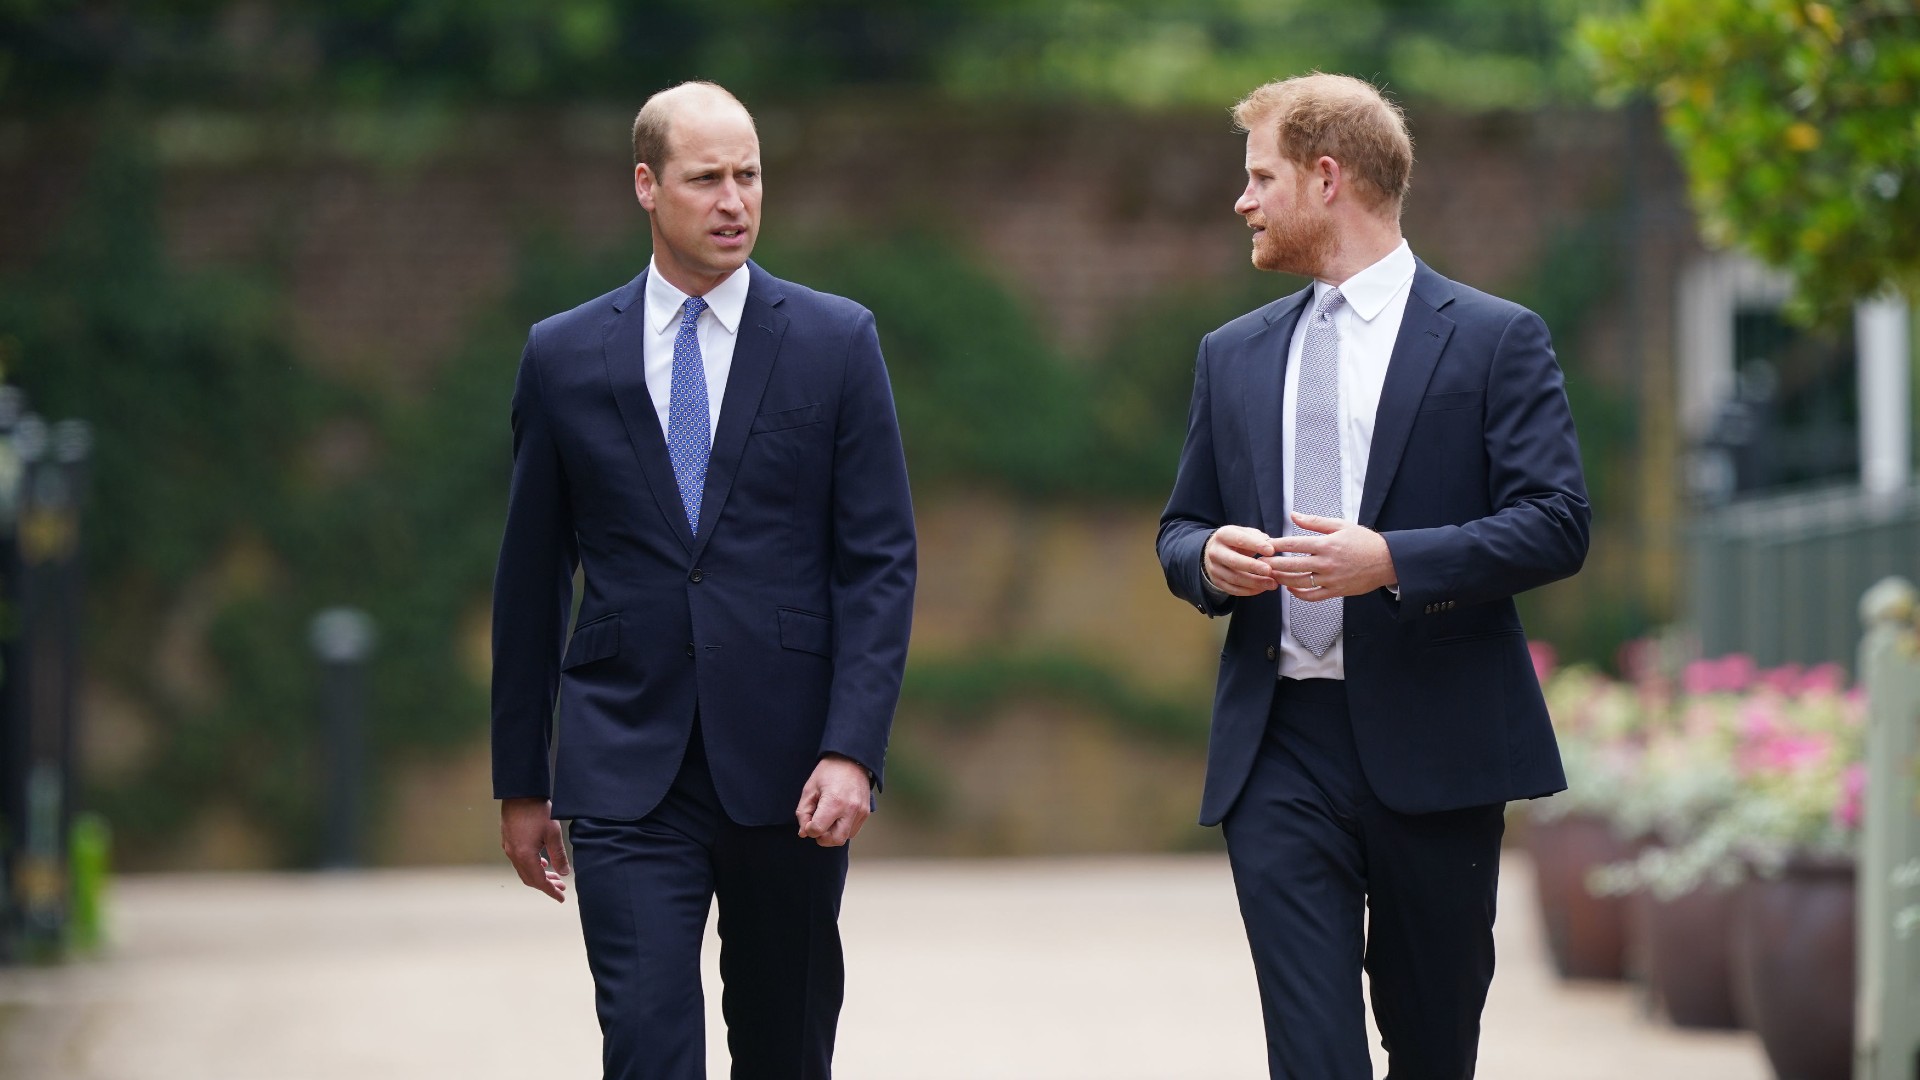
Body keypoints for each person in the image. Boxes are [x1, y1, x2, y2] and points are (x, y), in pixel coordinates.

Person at [1156, 73, 1590, 1079]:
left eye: (1259, 177)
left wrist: (1392, 560)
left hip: (1439, 746)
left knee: (1433, 1045)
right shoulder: (1232, 356)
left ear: (1325, 177)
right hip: (1279, 746)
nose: (1243, 200)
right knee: (1312, 1052)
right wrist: (1207, 559)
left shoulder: (1495, 340)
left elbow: (1557, 524)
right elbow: (1181, 525)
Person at [490, 81, 916, 1080]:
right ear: (646, 185)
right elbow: (528, 575)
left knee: (784, 1048)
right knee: (645, 1044)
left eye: (750, 175)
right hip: (625, 764)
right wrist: (522, 780)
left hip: (793, 770)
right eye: (706, 178)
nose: (734, 200)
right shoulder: (562, 356)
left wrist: (853, 749)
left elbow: (880, 562)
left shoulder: (835, 342)